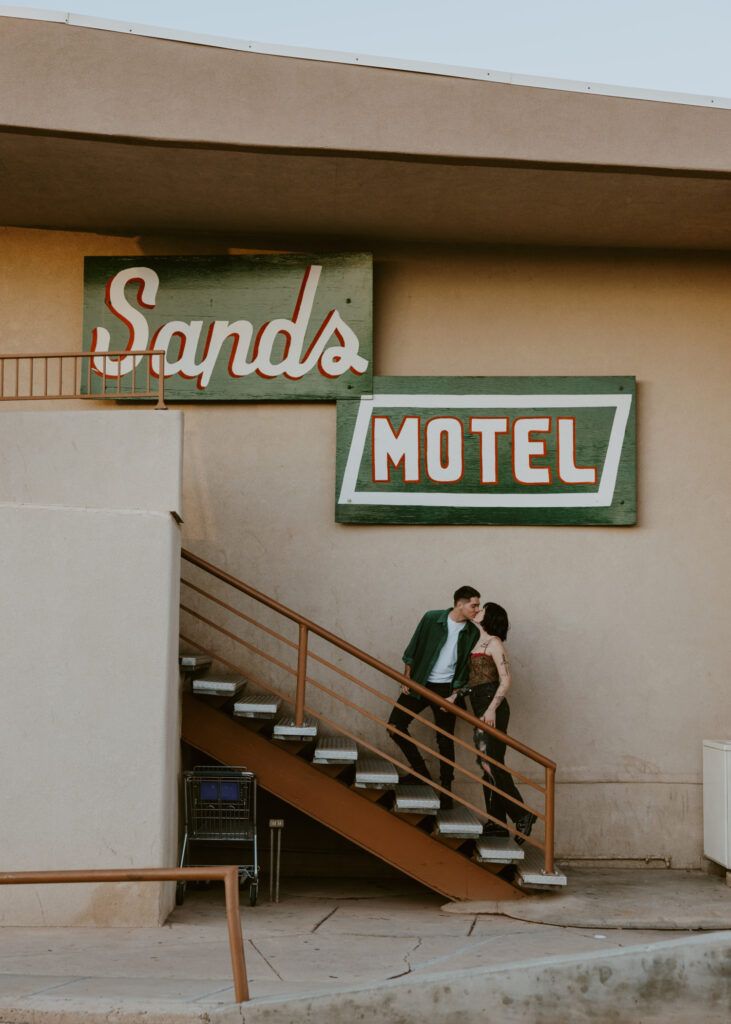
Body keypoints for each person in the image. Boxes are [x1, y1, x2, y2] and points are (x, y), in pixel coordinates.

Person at [448, 602, 537, 843]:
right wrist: (457, 695)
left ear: (491, 617)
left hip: (491, 708)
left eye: (483, 609)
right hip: (478, 705)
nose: (478, 611)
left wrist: (491, 709)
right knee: (486, 764)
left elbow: (505, 681)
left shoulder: (495, 643)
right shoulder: (478, 642)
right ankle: (496, 823)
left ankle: (522, 815)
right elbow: (476, 679)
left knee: (492, 764)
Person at [387, 586, 481, 809]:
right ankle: (421, 773)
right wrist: (406, 679)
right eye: (473, 605)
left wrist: (455, 696)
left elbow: (467, 670)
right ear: (460, 604)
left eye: (477, 605)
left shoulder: (472, 632)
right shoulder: (432, 618)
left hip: (447, 691)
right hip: (421, 683)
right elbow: (412, 649)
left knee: (445, 741)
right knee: (395, 725)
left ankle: (446, 793)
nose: (477, 609)